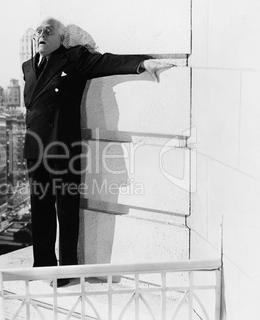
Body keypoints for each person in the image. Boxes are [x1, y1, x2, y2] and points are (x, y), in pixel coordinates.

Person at [22, 17, 173, 282]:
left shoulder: (74, 58)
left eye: (49, 30)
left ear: (62, 38)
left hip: (63, 149)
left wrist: (143, 63)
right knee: (40, 212)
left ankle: (66, 271)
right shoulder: (27, 67)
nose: (42, 34)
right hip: (35, 149)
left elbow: (107, 62)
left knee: (66, 212)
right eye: (39, 31)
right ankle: (43, 266)